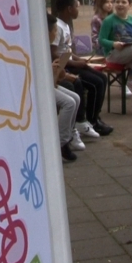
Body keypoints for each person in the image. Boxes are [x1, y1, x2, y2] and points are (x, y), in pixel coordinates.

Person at [53, 0, 113, 137]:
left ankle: (94, 118)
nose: (78, 10)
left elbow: (66, 50)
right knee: (95, 83)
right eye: (76, 7)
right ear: (69, 9)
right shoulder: (57, 27)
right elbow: (53, 53)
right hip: (64, 68)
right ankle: (84, 121)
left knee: (102, 78)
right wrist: (75, 63)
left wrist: (80, 59)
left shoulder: (66, 25)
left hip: (71, 62)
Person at [92, 0, 132, 97]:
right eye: (106, 2)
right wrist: (111, 44)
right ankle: (123, 83)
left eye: (111, 2)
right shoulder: (97, 19)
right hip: (102, 47)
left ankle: (130, 79)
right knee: (123, 55)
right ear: (100, 4)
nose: (110, 4)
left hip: (118, 46)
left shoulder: (115, 17)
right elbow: (97, 38)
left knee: (130, 51)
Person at [48, 14, 80, 162]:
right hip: (39, 88)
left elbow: (56, 78)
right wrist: (51, 70)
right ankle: (61, 142)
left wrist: (59, 72)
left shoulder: (46, 48)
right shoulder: (41, 49)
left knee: (76, 98)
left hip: (50, 84)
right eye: (54, 29)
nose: (56, 33)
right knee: (69, 103)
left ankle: (68, 136)